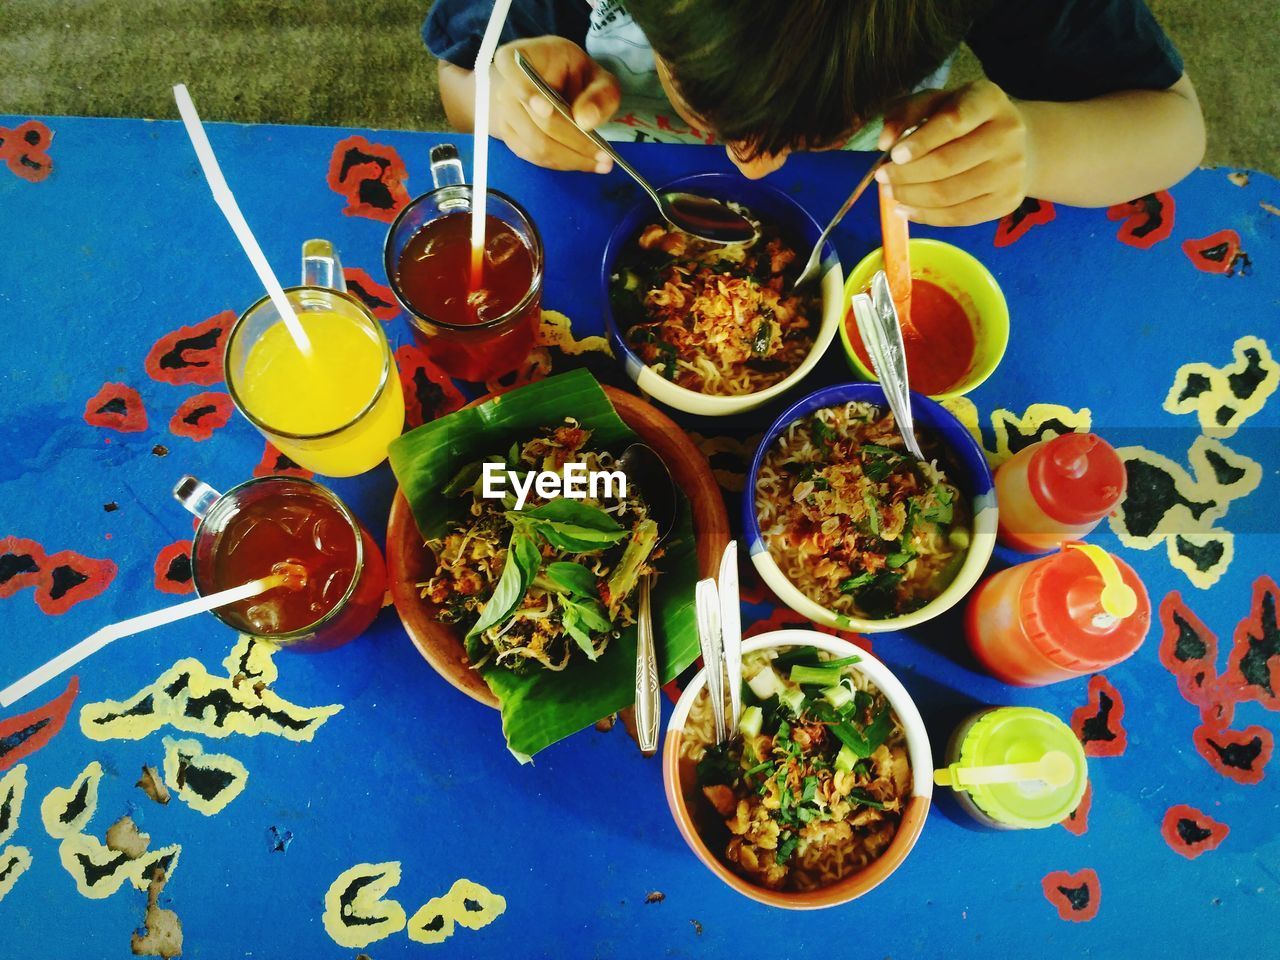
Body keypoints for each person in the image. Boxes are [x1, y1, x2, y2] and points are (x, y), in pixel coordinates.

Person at [425, 0, 1205, 226]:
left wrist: (1035, 148)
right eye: (706, 102)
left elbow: (1173, 129)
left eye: (817, 129)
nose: (751, 163)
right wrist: (503, 103)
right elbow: (458, 80)